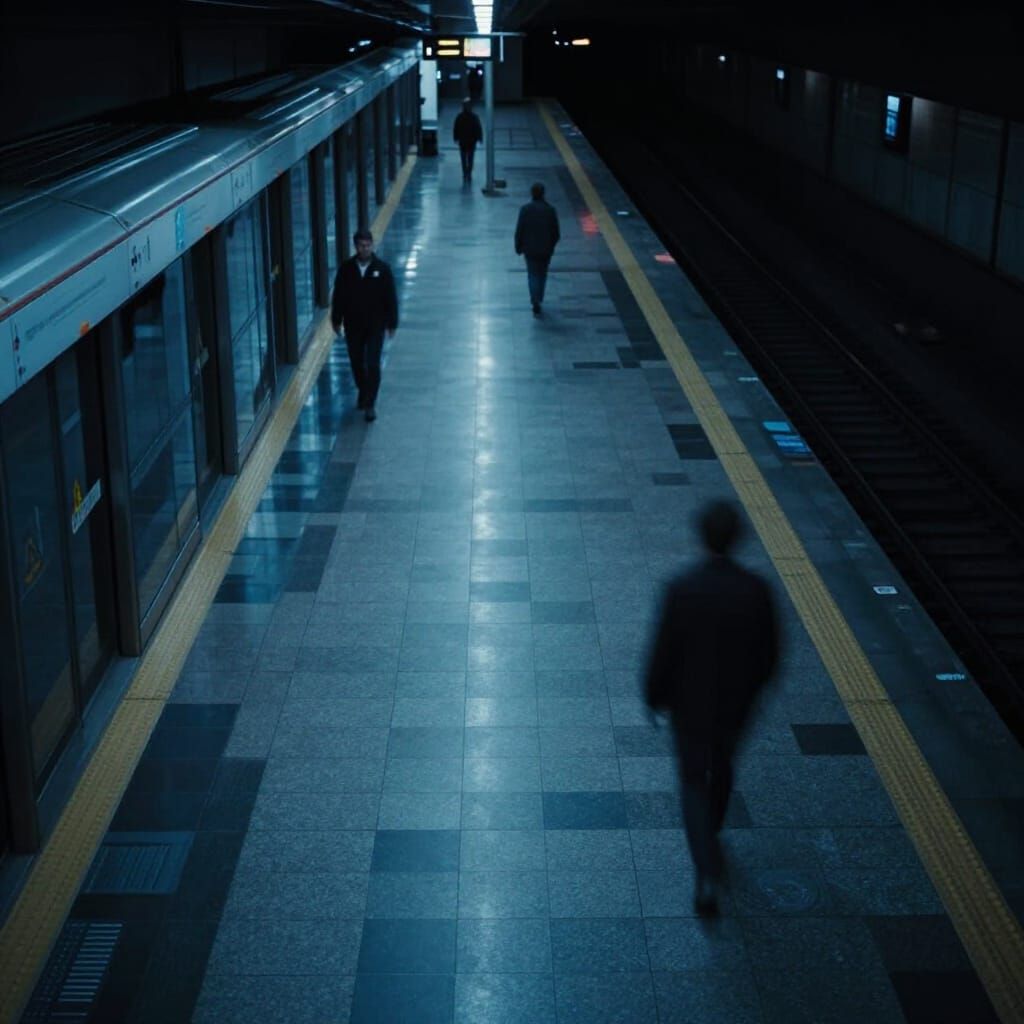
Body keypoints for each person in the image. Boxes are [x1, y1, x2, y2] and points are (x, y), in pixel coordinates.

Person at [644, 499, 779, 916]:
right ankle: (714, 830)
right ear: (738, 538)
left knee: (691, 780)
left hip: (690, 705)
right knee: (722, 766)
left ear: (701, 534)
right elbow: (771, 655)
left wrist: (654, 696)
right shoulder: (757, 591)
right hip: (735, 704)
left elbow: (663, 651)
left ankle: (706, 872)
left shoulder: (681, 588)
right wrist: (752, 691)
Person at [330, 228, 398, 422]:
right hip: (353, 325)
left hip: (376, 325)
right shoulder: (346, 269)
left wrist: (392, 323)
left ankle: (370, 404)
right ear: (356, 247)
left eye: (368, 245)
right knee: (356, 362)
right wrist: (336, 319)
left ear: (372, 245)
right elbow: (339, 296)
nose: (365, 248)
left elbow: (390, 297)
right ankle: (364, 389)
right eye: (361, 245)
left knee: (373, 363)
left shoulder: (382, 269)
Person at [514, 181, 560, 317]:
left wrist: (518, 246)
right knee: (542, 274)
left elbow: (519, 230)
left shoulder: (525, 209)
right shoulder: (550, 210)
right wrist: (551, 246)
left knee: (532, 274)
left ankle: (535, 300)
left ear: (532, 194)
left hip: (530, 249)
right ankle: (539, 296)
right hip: (545, 250)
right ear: (543, 194)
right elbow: (556, 233)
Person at [453, 98, 483, 183]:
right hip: (470, 141)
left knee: (465, 158)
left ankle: (466, 172)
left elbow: (456, 128)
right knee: (469, 158)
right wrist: (479, 138)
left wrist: (456, 137)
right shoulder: (474, 117)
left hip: (465, 141)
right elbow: (478, 128)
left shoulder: (460, 117)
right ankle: (467, 172)